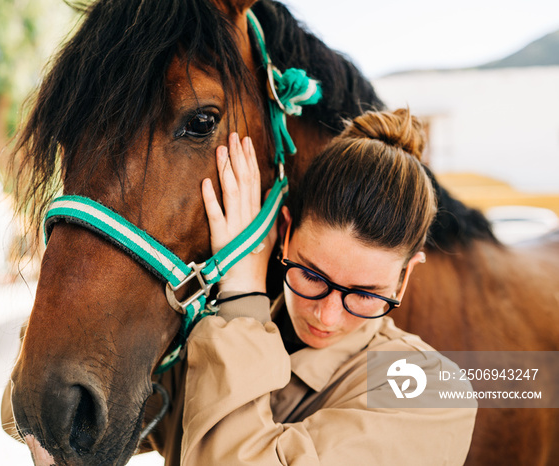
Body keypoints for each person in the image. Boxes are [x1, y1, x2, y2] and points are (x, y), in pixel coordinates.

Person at [145, 108, 477, 465]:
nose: (328, 316)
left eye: (365, 294)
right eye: (313, 276)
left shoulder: (433, 392)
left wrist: (243, 294)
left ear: (404, 278)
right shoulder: (209, 331)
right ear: (285, 234)